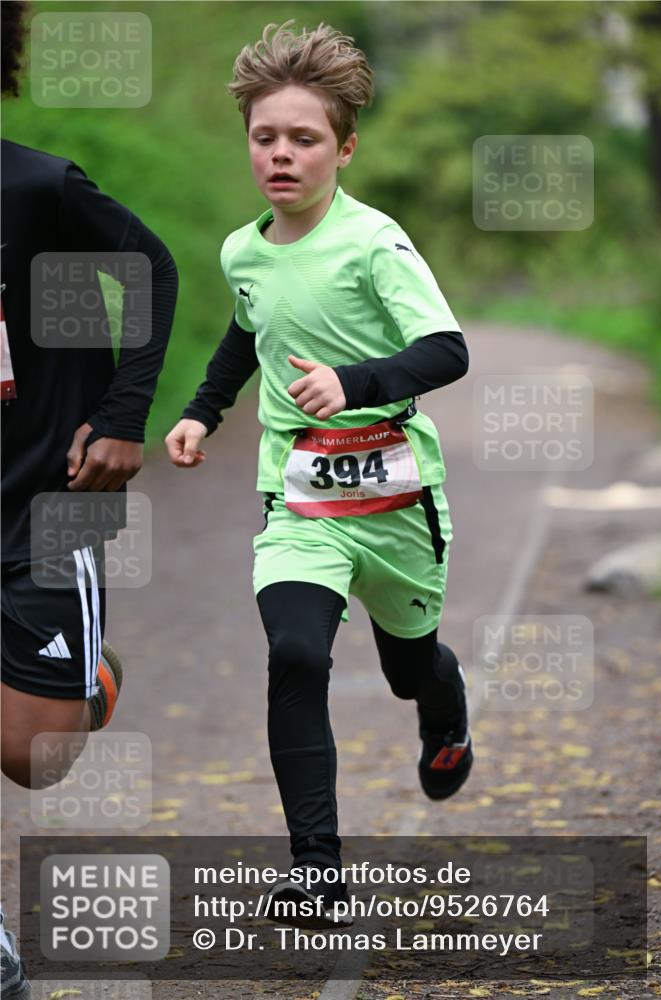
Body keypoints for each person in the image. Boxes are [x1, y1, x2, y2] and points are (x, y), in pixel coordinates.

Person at [166, 21, 471, 929]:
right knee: (295, 653)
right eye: (266, 137)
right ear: (248, 144)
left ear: (343, 147)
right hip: (299, 499)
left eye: (303, 138)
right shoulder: (241, 249)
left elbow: (447, 350)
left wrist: (358, 384)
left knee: (407, 667)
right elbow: (248, 328)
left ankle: (444, 709)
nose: (282, 154)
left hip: (395, 499)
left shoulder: (374, 242)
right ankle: (315, 869)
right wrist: (200, 410)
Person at [1, 3, 178, 993]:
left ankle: (87, 681)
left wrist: (121, 415)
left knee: (35, 759)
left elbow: (146, 265)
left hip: (49, 497)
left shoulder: (34, 187)